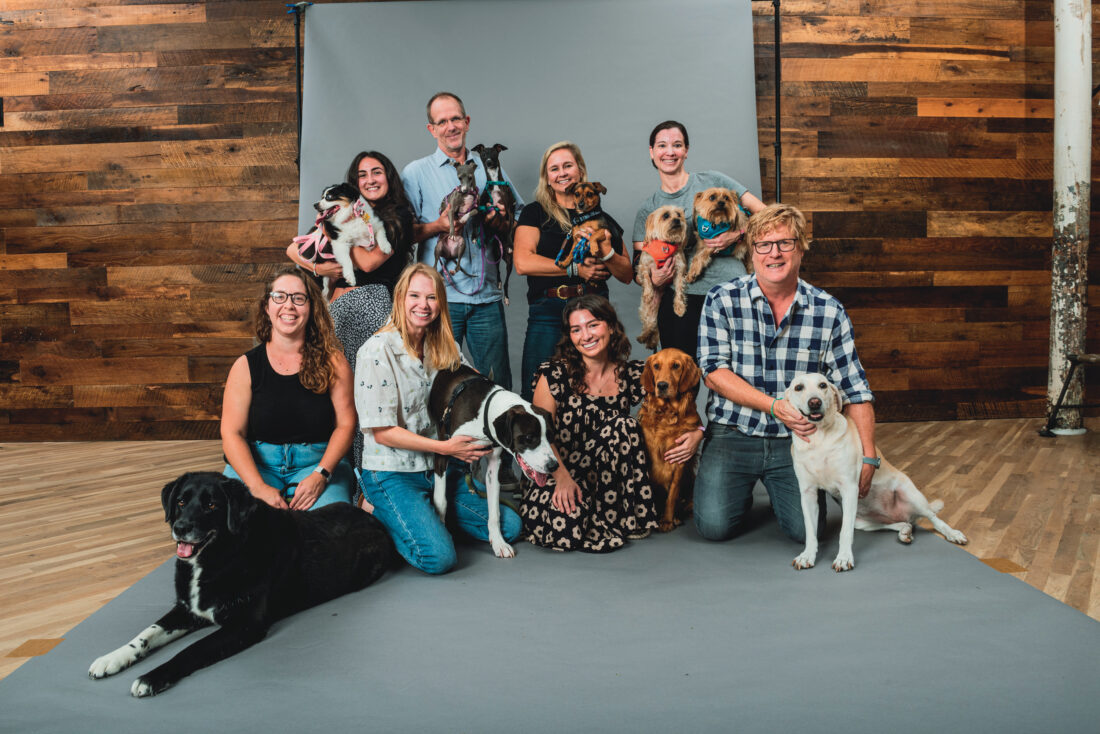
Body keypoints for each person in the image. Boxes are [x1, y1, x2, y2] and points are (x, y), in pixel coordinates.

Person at [694, 203, 876, 544]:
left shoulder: (828, 311)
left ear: (801, 248)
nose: (773, 253)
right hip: (734, 431)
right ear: (752, 252)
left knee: (804, 532)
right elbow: (714, 372)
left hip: (800, 439)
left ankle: (779, 488)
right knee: (713, 526)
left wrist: (868, 454)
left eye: (785, 243)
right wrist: (775, 406)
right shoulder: (722, 299)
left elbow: (855, 389)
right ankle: (739, 486)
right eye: (764, 245)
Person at [354, 262, 522, 574]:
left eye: (431, 298)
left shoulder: (444, 346)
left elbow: (477, 386)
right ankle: (379, 509)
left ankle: (426, 517)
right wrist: (447, 449)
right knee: (439, 557)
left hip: (439, 470)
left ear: (441, 304)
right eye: (414, 296)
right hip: (394, 471)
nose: (423, 305)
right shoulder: (376, 351)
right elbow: (382, 433)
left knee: (510, 527)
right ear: (400, 298)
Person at [521, 295, 686, 552]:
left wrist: (697, 432)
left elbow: (681, 391)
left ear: (610, 326)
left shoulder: (632, 375)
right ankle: (594, 514)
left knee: (624, 426)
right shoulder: (553, 374)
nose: (585, 336)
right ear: (570, 337)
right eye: (576, 329)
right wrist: (562, 478)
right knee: (568, 529)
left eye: (593, 325)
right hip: (559, 470)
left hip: (607, 482)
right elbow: (538, 436)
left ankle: (611, 511)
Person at [288, 151, 416, 467]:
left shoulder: (396, 215)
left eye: (377, 172)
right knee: (331, 397)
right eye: (362, 174)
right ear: (353, 183)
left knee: (365, 397)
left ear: (389, 177)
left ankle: (366, 479)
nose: (370, 179)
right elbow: (293, 248)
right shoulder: (339, 211)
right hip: (331, 311)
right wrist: (320, 270)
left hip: (368, 304)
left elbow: (370, 261)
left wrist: (335, 237)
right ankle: (334, 474)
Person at [401, 92, 521, 391]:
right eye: (442, 121)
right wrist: (440, 225)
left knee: (495, 386)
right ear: (432, 129)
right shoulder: (416, 173)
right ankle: (443, 441)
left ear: (467, 122)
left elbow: (518, 218)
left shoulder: (491, 168)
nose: (450, 126)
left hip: (486, 299)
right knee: (437, 385)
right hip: (439, 299)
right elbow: (402, 234)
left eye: (456, 119)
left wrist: (502, 220)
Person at [220, 268, 357, 510]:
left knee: (330, 531)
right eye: (280, 296)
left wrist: (320, 475)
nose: (289, 305)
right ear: (267, 306)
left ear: (311, 307)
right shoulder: (245, 366)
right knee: (238, 531)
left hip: (317, 464)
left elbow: (346, 425)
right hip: (257, 465)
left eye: (298, 298)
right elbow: (232, 434)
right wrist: (257, 486)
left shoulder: (334, 362)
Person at [633, 120, 766, 357]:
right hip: (682, 299)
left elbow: (767, 215)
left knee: (738, 373)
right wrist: (653, 277)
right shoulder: (649, 208)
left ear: (686, 150)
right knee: (681, 380)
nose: (670, 152)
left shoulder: (713, 181)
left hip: (731, 290)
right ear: (652, 152)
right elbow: (639, 264)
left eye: (677, 145)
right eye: (662, 146)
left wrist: (738, 234)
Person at [513, 141, 634, 400]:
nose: (562, 173)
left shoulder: (603, 219)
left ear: (580, 171)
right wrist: (576, 270)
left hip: (593, 309)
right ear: (547, 178)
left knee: (596, 390)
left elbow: (626, 274)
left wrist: (605, 251)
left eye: (568, 165)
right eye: (554, 169)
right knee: (535, 391)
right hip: (548, 309)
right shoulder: (535, 213)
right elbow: (523, 263)